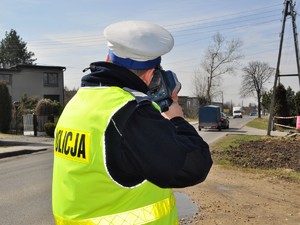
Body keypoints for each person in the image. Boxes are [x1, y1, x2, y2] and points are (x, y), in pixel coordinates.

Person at [52, 20, 212, 225]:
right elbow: (195, 166)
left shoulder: (77, 104)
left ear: (108, 57)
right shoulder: (131, 114)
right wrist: (176, 118)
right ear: (149, 74)